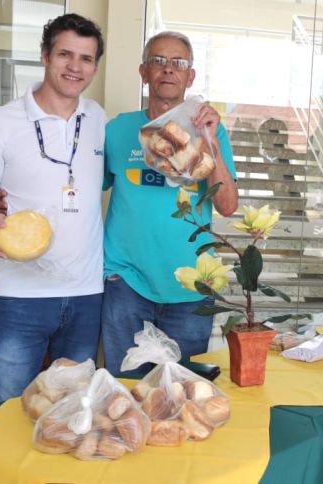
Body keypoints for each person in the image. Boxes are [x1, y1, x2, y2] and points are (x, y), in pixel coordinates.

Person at [0, 14, 106, 402]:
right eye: (65, 54)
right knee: (10, 407)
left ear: (95, 67)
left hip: (86, 293)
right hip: (21, 294)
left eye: (86, 59)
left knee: (74, 411)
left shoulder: (98, 119)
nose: (75, 67)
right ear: (45, 55)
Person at [101, 30, 239, 375]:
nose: (168, 69)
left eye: (178, 62)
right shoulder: (117, 130)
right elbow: (84, 192)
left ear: (190, 77)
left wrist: (210, 143)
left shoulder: (211, 131)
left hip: (191, 287)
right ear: (143, 72)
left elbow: (227, 206)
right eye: (158, 61)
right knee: (125, 390)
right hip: (126, 282)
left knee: (181, 391)